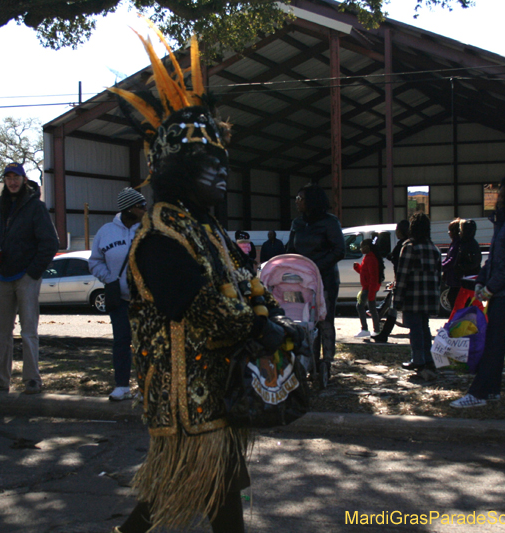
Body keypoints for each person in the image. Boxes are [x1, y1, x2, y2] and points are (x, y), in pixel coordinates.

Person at [109, 31, 298, 533]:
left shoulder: (204, 226)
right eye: (205, 166)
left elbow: (242, 283)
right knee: (171, 498)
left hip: (218, 394)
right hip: (186, 402)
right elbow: (198, 307)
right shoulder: (160, 233)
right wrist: (261, 330)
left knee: (216, 493)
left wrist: (270, 315)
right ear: (175, 169)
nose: (220, 176)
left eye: (223, 166)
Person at [451, 175, 505, 408]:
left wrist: (490, 287)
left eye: (503, 194)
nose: (499, 198)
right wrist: (482, 282)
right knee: (494, 340)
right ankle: (490, 390)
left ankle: (479, 393)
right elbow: (495, 259)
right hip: (501, 289)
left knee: (493, 341)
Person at [0, 163, 59, 395]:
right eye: (8, 178)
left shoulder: (36, 207)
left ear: (24, 180)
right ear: (4, 181)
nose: (12, 182)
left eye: (16, 177)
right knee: (0, 330)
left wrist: (33, 272)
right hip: (4, 275)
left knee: (28, 331)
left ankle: (32, 379)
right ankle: (0, 377)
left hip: (27, 276)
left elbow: (50, 244)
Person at [88, 187, 146, 402]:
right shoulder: (106, 231)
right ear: (128, 209)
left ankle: (145, 388)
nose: (144, 209)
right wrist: (110, 278)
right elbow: (94, 261)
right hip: (120, 300)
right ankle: (122, 386)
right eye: (141, 206)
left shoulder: (149, 229)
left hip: (145, 301)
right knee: (121, 342)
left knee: (146, 345)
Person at [286, 182, 345, 381]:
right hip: (300, 281)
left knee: (324, 320)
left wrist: (315, 267)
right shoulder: (297, 223)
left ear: (311, 201)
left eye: (300, 199)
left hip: (325, 279)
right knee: (304, 320)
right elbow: (289, 249)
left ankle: (326, 361)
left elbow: (339, 250)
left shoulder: (330, 222)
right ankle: (309, 359)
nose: (297, 202)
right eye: (296, 199)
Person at [392, 213, 441, 376]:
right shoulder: (434, 248)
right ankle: (428, 359)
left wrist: (397, 299)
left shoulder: (409, 246)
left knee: (415, 329)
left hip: (412, 296)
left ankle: (418, 360)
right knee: (424, 328)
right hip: (429, 296)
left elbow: (402, 275)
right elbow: (438, 275)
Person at [370, 219, 410, 343]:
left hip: (402, 280)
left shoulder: (403, 246)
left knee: (393, 309)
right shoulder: (404, 244)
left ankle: (384, 334)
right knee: (393, 308)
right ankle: (384, 333)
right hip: (401, 280)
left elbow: (393, 258)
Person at [353, 238, 381, 337]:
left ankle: (365, 329)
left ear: (367, 247)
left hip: (369, 288)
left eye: (362, 247)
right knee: (372, 309)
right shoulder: (368, 257)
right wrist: (358, 268)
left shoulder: (371, 258)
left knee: (360, 306)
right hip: (368, 287)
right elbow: (365, 273)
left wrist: (371, 292)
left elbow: (374, 277)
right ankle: (376, 330)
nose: (360, 249)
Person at [441, 218, 462, 308]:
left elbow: (452, 260)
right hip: (453, 279)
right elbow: (447, 258)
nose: (449, 232)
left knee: (453, 298)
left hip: (457, 279)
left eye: (450, 230)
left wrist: (440, 267)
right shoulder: (454, 243)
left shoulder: (458, 244)